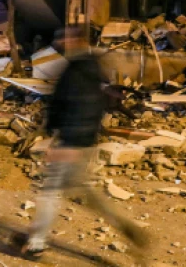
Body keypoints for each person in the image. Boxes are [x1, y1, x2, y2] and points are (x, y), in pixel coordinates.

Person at [21, 26, 149, 261]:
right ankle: (127, 227)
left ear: (77, 40)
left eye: (66, 39)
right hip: (83, 141)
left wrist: (64, 142)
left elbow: (75, 106)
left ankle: (36, 244)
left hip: (72, 141)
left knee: (50, 191)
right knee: (87, 192)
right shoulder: (91, 68)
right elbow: (92, 106)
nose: (61, 43)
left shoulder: (76, 71)